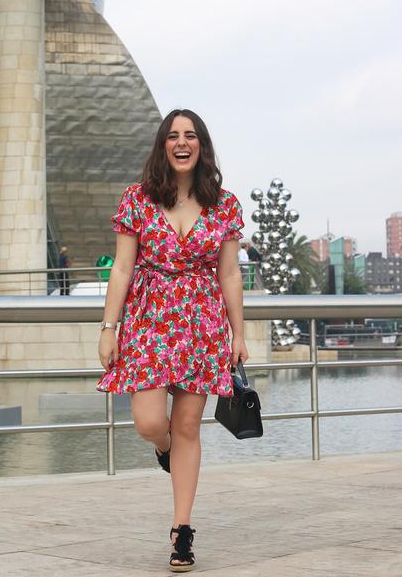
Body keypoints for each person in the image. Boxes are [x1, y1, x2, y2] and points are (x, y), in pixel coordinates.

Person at [97, 109, 249, 572]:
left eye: (191, 136)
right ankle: (162, 450)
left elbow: (228, 272)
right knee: (150, 422)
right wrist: (109, 327)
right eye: (173, 136)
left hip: (201, 324)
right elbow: (122, 268)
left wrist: (238, 333)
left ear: (202, 145)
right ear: (163, 145)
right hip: (148, 322)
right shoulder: (137, 200)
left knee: (187, 427)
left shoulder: (223, 204)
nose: (182, 143)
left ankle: (182, 531)